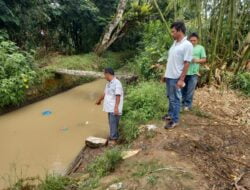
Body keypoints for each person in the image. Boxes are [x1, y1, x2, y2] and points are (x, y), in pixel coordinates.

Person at [163, 21, 193, 129]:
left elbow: (187, 63)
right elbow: (171, 60)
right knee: (170, 97)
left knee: (175, 99)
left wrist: (181, 79)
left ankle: (175, 120)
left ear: (180, 31)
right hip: (169, 76)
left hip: (176, 77)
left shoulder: (187, 45)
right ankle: (171, 115)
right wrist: (165, 74)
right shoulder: (175, 43)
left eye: (173, 31)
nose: (172, 34)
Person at [96, 68, 124, 145]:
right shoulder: (108, 84)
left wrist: (116, 107)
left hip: (114, 108)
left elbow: (118, 95)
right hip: (109, 108)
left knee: (113, 123)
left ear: (108, 74)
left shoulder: (117, 83)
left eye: (104, 74)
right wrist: (99, 100)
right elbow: (105, 93)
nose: (104, 76)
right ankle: (113, 136)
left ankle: (114, 140)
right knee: (111, 123)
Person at [182, 33, 207, 111]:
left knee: (190, 90)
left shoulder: (200, 48)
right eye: (191, 40)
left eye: (194, 40)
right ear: (188, 40)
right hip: (184, 72)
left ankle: (187, 105)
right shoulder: (185, 47)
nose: (193, 42)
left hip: (194, 72)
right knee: (183, 89)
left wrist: (196, 60)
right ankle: (182, 104)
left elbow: (204, 59)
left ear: (197, 40)